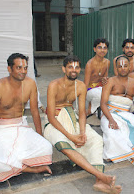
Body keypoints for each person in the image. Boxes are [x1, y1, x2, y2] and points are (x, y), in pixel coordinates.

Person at [44, 55, 121, 193]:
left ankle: (99, 182)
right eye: (70, 67)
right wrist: (71, 136)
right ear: (64, 69)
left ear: (80, 69)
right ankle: (101, 176)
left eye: (77, 67)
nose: (74, 70)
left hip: (72, 117)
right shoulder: (53, 85)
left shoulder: (80, 86)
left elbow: (81, 112)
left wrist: (82, 132)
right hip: (54, 121)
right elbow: (50, 116)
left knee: (95, 139)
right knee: (64, 143)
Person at [0, 53, 52, 183]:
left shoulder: (30, 84)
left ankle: (14, 166)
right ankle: (31, 169)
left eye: (25, 68)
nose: (23, 71)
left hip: (20, 126)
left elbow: (34, 112)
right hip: (0, 129)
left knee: (46, 147)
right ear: (9, 69)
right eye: (19, 68)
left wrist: (40, 135)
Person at [101, 55, 134, 171]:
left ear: (130, 67)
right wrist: (111, 120)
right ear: (116, 69)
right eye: (120, 66)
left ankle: (122, 154)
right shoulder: (110, 81)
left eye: (125, 66)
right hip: (110, 114)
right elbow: (103, 104)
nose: (123, 68)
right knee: (112, 132)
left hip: (126, 114)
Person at [84, 38, 110, 116]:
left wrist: (106, 82)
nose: (102, 50)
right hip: (89, 89)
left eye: (104, 48)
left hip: (100, 87)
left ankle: (99, 108)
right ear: (94, 49)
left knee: (110, 93)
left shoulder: (107, 62)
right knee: (98, 94)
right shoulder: (90, 64)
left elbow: (105, 79)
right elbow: (85, 84)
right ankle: (91, 109)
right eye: (99, 48)